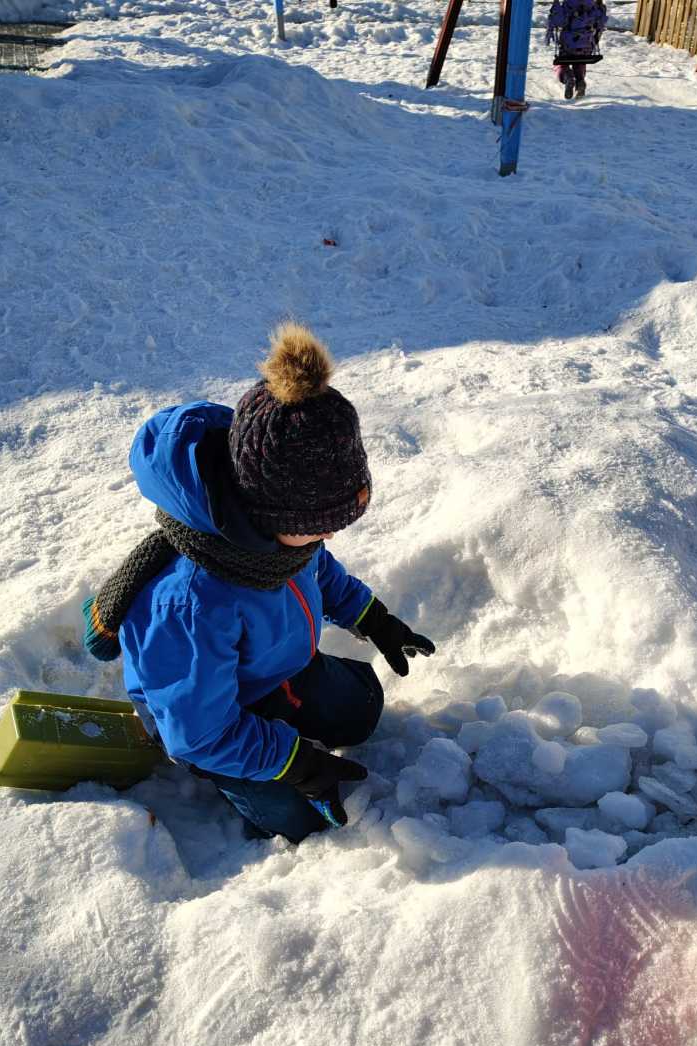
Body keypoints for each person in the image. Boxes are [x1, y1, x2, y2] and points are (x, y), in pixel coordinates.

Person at [83, 323, 435, 843]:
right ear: (270, 515)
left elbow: (318, 570)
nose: (328, 535)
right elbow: (198, 732)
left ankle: (289, 725)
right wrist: (295, 764)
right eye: (318, 526)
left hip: (279, 670)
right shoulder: (189, 603)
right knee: (302, 819)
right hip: (208, 716)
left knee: (363, 709)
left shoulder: (283, 541)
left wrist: (372, 618)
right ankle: (246, 775)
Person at [546, 0, 608, 100]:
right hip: (586, 44)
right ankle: (580, 80)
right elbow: (600, 21)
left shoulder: (569, 4)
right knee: (580, 61)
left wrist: (556, 7)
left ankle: (568, 78)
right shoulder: (592, 5)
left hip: (568, 44)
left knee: (561, 64)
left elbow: (559, 21)